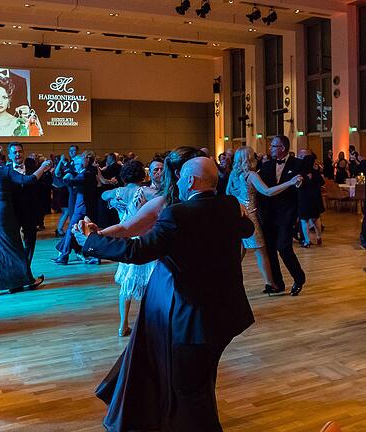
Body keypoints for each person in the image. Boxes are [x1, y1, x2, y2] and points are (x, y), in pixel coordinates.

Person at [80, 157, 255, 431]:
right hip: (226, 315)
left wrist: (92, 241)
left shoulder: (177, 214)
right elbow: (248, 228)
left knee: (190, 390)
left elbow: (138, 251)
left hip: (192, 318)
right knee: (203, 377)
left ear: (189, 180)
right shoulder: (230, 206)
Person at [0, 143, 50, 297]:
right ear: (2, 155)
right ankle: (23, 281)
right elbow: (29, 180)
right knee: (13, 247)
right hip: (2, 212)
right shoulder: (6, 170)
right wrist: (43, 168)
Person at [227, 146, 302, 293]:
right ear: (250, 158)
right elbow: (268, 192)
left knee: (238, 252)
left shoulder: (233, 175)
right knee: (261, 252)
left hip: (236, 216)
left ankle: (228, 281)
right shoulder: (251, 175)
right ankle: (271, 284)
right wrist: (290, 182)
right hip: (251, 217)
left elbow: (228, 194)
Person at [100, 160, 158, 337]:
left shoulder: (117, 192)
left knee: (126, 285)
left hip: (125, 239)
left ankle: (123, 325)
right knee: (150, 284)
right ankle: (148, 325)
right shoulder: (145, 192)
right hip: (143, 240)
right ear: (142, 175)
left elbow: (104, 196)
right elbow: (165, 199)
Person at [259, 135, 306, 295]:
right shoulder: (266, 166)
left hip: (287, 213)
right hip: (269, 214)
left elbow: (302, 189)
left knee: (284, 247)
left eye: (273, 146)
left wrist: (299, 214)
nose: (271, 148)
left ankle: (299, 278)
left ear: (282, 148)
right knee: (270, 249)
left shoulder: (298, 164)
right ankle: (277, 284)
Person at [8, 142, 49, 268]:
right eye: (14, 152)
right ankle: (16, 267)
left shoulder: (32, 168)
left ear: (23, 153)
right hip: (12, 211)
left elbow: (42, 187)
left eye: (20, 151)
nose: (17, 154)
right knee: (13, 240)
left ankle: (26, 267)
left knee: (30, 240)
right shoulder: (6, 169)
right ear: (9, 155)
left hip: (30, 210)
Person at [297, 153, 325, 247]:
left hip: (304, 199)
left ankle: (307, 241)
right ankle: (318, 236)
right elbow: (322, 182)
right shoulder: (315, 172)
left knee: (304, 220)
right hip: (315, 198)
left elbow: (298, 186)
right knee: (316, 218)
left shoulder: (301, 173)